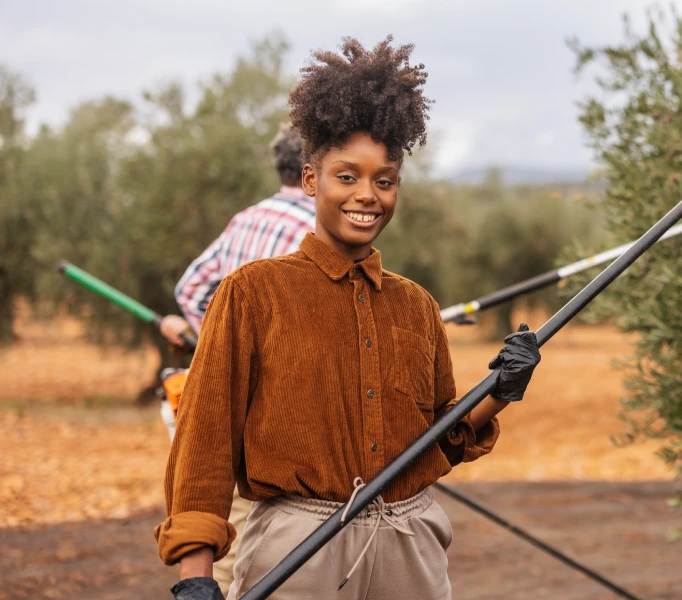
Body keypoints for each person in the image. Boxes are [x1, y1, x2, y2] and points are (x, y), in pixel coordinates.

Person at [156, 36, 541, 600]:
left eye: (384, 181)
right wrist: (195, 575)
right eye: (347, 176)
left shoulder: (416, 306)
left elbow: (441, 437)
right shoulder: (251, 294)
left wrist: (503, 388)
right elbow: (203, 442)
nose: (367, 196)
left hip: (410, 544)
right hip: (295, 548)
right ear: (310, 180)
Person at [156, 122, 316, 595]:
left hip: (221, 394)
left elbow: (191, 288)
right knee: (247, 529)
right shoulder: (320, 228)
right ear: (316, 167)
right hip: (273, 409)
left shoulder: (247, 219)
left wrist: (219, 338)